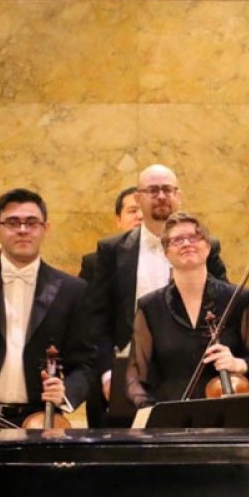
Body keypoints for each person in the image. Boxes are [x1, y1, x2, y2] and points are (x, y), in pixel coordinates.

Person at [86, 164, 228, 427]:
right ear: (138, 198)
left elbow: (223, 307)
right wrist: (107, 376)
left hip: (191, 378)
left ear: (178, 195)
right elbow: (97, 321)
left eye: (167, 189)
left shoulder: (206, 249)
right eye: (152, 190)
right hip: (127, 378)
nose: (161, 196)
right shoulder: (111, 250)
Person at [126, 212, 249, 407]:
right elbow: (135, 378)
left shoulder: (238, 299)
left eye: (194, 237)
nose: (187, 243)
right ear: (166, 253)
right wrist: (151, 411)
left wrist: (239, 364)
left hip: (228, 413)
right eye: (177, 240)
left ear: (207, 247)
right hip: (171, 417)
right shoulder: (150, 307)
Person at [0, 188, 95, 428]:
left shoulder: (72, 290)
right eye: (13, 222)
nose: (23, 230)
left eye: (31, 222)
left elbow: (86, 363)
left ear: (46, 228)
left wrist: (65, 393)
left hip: (37, 421)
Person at [79, 186, 142, 283]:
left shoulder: (169, 259)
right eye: (132, 211)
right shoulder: (95, 263)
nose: (140, 216)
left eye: (146, 211)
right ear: (118, 220)